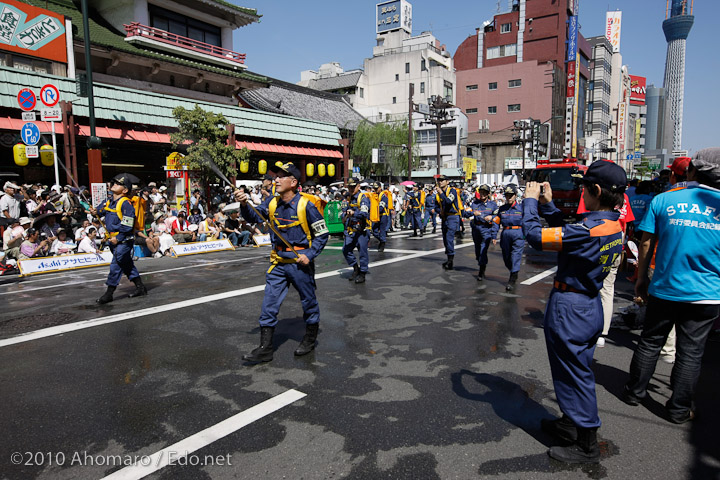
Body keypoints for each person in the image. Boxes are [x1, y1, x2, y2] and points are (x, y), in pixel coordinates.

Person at [523, 161, 627, 464]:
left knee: (575, 373)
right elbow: (570, 234)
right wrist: (551, 205)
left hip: (572, 307)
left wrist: (530, 200)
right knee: (575, 367)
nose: (582, 192)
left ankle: (586, 443)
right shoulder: (609, 224)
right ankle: (571, 423)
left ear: (594, 190)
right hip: (589, 304)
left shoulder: (591, 229)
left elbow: (536, 236)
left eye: (584, 187)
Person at [623, 148, 720, 424]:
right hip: (707, 294)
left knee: (650, 341)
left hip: (665, 287)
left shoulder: (665, 199)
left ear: (692, 171)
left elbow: (645, 242)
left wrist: (641, 279)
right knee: (690, 353)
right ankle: (678, 409)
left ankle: (634, 393)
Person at [234, 161, 329, 362]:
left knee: (309, 302)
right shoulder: (271, 202)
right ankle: (265, 349)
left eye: (280, 177)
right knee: (269, 305)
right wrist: (244, 203)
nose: (275, 180)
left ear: (293, 182)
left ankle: (310, 339)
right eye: (275, 176)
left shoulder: (306, 205)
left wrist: (309, 255)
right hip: (278, 263)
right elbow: (254, 216)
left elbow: (322, 235)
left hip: (299, 263)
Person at [91, 174, 147, 304]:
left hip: (123, 240)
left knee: (116, 263)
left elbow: (128, 223)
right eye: (113, 182)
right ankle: (140, 287)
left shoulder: (126, 204)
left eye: (118, 183)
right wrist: (95, 212)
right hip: (112, 240)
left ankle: (109, 293)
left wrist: (119, 237)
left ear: (125, 190)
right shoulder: (110, 201)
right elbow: (100, 211)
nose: (114, 184)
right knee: (126, 264)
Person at [463, 184, 498, 280]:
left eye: (484, 192)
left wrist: (492, 217)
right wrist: (472, 213)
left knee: (483, 250)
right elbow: (465, 213)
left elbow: (498, 217)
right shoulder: (475, 204)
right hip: (476, 229)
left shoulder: (493, 205)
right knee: (478, 251)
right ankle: (481, 262)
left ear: (488, 194)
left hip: (487, 229)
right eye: (481, 192)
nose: (482, 194)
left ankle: (481, 271)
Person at [493, 184, 524, 290]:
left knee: (515, 255)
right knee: (506, 258)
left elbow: (528, 222)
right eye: (507, 195)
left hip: (518, 233)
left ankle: (513, 277)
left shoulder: (521, 208)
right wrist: (494, 235)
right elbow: (496, 222)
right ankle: (513, 270)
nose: (509, 197)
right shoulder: (502, 209)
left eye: (511, 195)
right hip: (505, 234)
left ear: (515, 195)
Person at [342, 177, 371, 283]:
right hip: (350, 230)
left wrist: (354, 213)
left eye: (353, 187)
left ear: (358, 186)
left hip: (361, 230)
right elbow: (343, 211)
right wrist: (344, 217)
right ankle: (355, 268)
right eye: (349, 187)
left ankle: (363, 273)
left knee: (362, 252)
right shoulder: (347, 198)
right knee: (346, 250)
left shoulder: (363, 198)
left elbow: (364, 213)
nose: (350, 189)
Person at [435, 175, 462, 270]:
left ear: (447, 182)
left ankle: (450, 260)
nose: (440, 182)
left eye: (442, 180)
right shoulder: (438, 193)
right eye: (439, 180)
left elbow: (448, 202)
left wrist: (441, 193)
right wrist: (439, 211)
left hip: (452, 216)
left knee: (449, 237)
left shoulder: (452, 191)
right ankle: (448, 258)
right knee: (445, 239)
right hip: (444, 217)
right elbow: (436, 205)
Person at [370, 181, 392, 252]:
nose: (375, 190)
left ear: (380, 188)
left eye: (377, 188)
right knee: (374, 230)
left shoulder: (383, 196)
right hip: (375, 215)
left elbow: (381, 207)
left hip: (382, 215)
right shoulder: (373, 195)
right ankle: (382, 240)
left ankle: (382, 244)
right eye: (374, 188)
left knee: (382, 230)